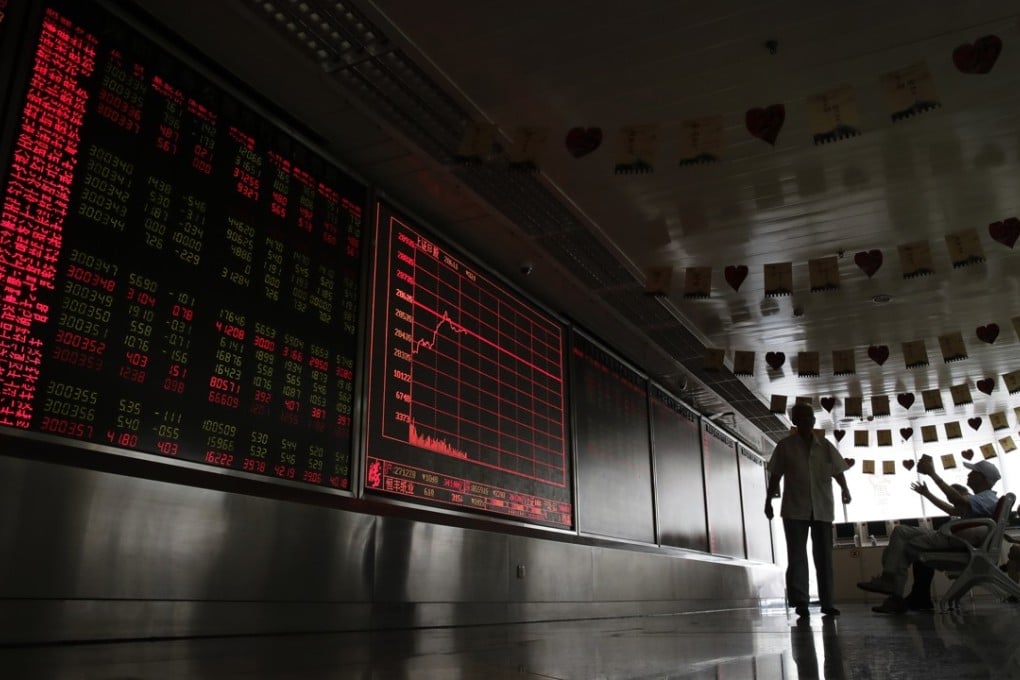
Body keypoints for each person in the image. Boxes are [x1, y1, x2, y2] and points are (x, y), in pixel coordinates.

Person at [857, 457, 1000, 614]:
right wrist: (927, 494)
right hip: (953, 536)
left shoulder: (987, 498)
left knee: (901, 547)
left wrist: (932, 473)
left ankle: (893, 590)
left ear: (983, 478)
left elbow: (955, 499)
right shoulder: (982, 499)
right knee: (900, 532)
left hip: (954, 538)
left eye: (974, 472)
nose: (969, 474)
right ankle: (891, 583)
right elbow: (952, 510)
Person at [765, 402, 852, 618]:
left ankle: (827, 602)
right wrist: (768, 500)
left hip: (822, 507)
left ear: (814, 421)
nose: (806, 421)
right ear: (794, 421)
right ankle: (801, 602)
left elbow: (838, 471)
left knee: (824, 557)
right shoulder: (785, 446)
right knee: (797, 556)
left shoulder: (825, 446)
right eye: (801, 417)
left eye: (809, 417)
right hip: (795, 509)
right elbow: (775, 475)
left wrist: (845, 489)